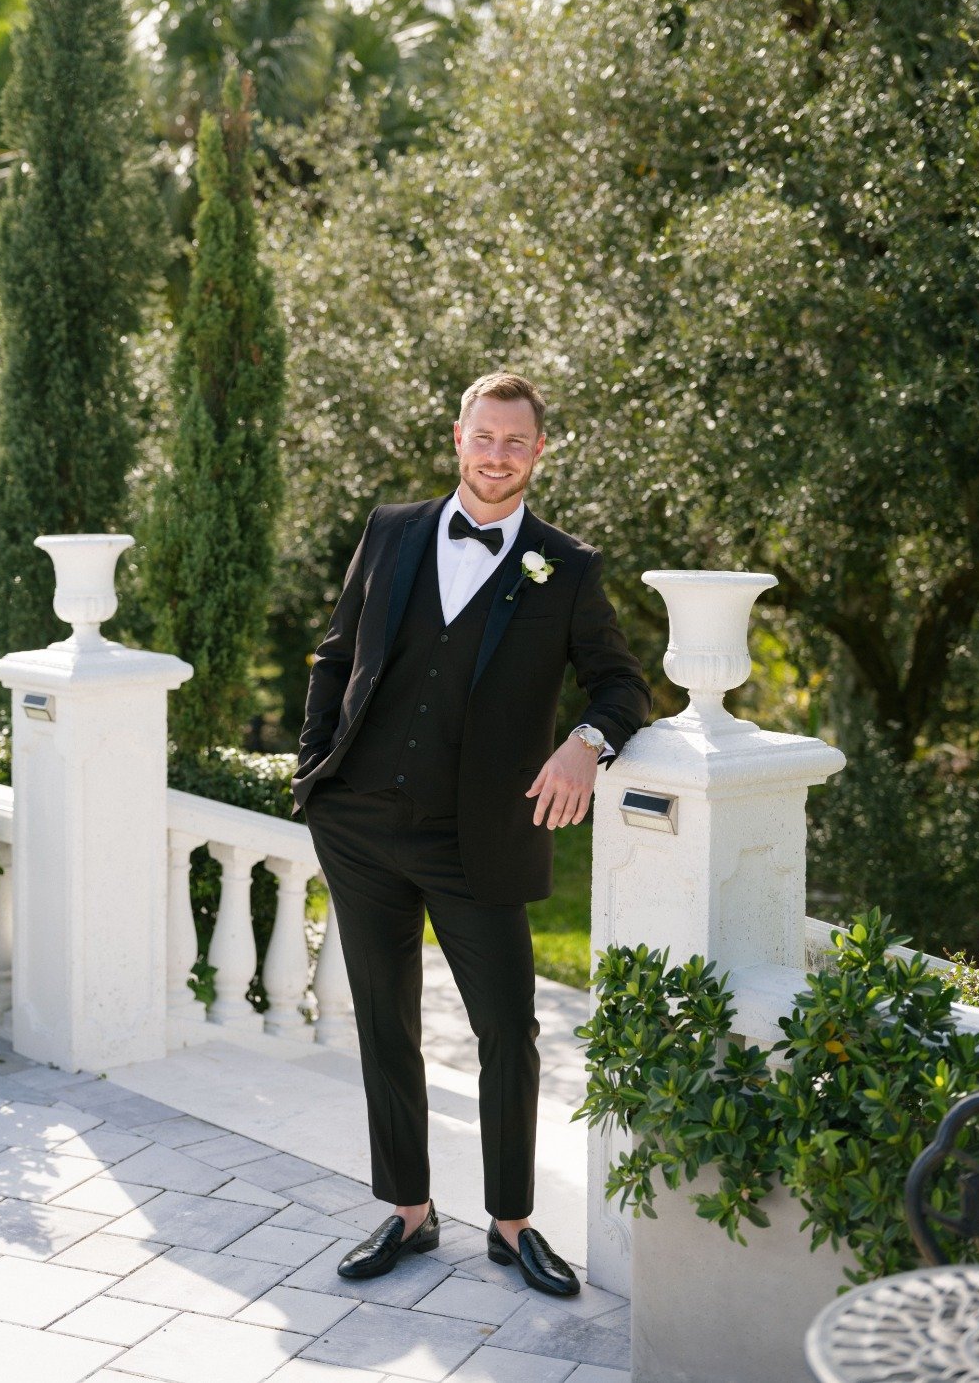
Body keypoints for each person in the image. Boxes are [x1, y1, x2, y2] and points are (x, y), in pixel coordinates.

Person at [293, 371, 651, 1296]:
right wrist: (314, 778)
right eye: (484, 438)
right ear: (459, 437)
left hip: (477, 841)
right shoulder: (392, 531)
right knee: (385, 1020)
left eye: (515, 443)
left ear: (540, 452)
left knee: (507, 1031)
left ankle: (511, 1223)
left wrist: (586, 741)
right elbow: (336, 656)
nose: (497, 457)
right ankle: (408, 1214)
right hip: (361, 824)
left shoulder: (565, 567)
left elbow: (622, 686)